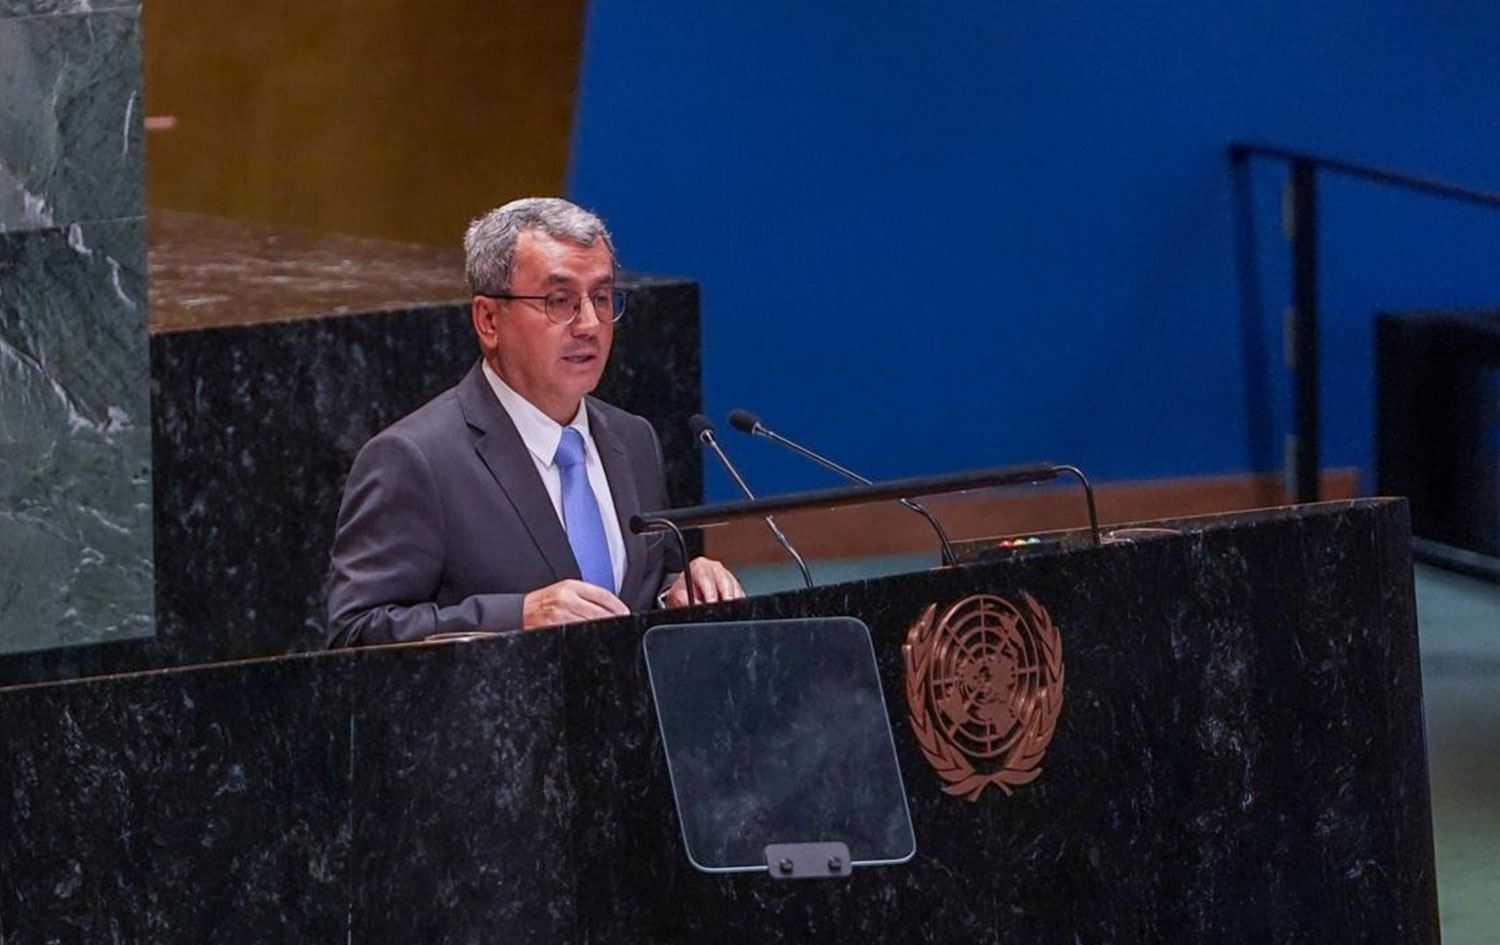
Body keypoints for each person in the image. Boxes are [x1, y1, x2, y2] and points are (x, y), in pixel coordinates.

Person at [326, 197, 743, 646]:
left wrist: (679, 591)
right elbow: (355, 633)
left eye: (601, 298)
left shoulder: (633, 438)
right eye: (559, 301)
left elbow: (644, 587)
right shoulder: (415, 459)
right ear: (489, 320)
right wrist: (517, 615)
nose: (589, 324)